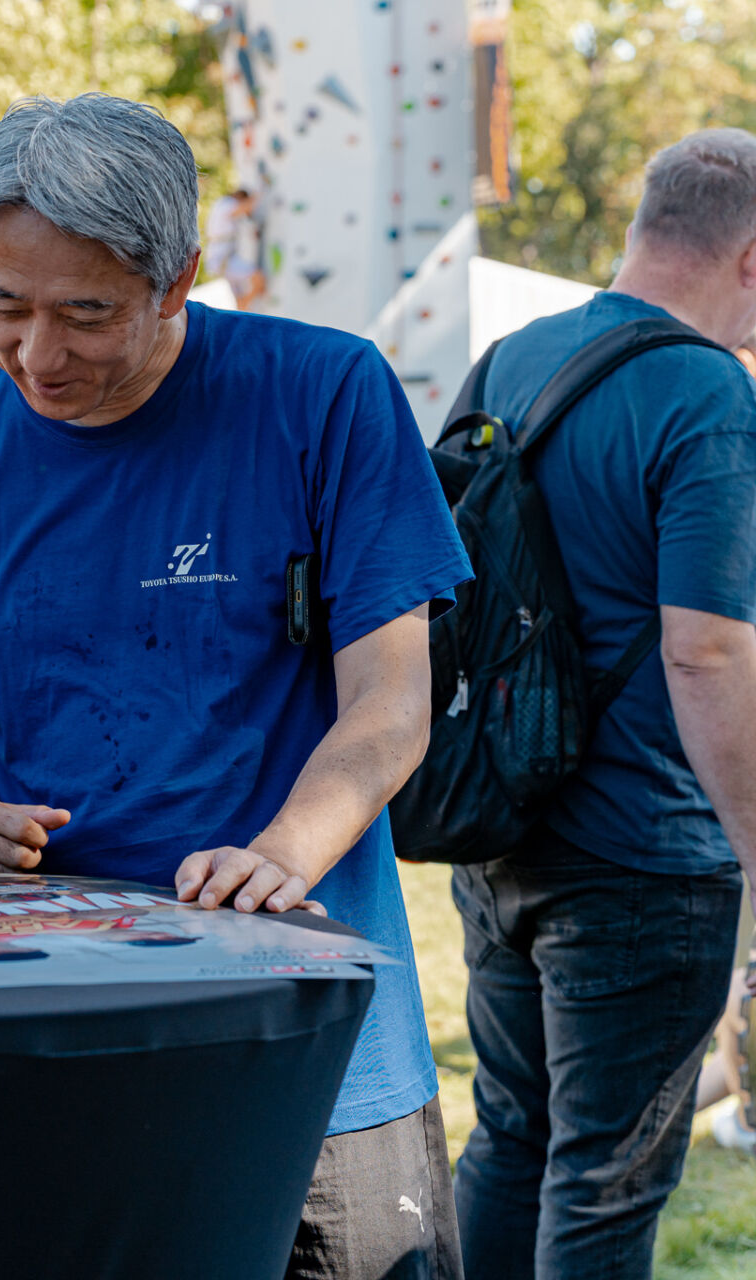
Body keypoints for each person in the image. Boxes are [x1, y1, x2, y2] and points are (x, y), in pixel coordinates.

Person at [0, 95, 471, 1279]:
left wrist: (284, 848)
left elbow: (393, 702)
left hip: (319, 1031)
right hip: (69, 1034)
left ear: (179, 277)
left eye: (86, 313)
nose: (39, 355)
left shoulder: (324, 393)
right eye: (5, 306)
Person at [448, 129, 756, 1280]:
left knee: (514, 1138)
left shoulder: (511, 358)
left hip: (500, 825)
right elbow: (710, 654)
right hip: (647, 852)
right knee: (607, 1179)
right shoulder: (709, 391)